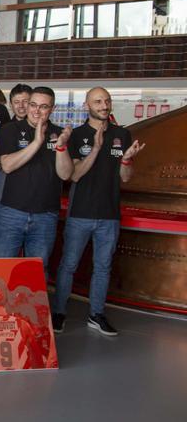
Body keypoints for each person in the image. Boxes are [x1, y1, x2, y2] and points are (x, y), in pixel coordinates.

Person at [53, 87, 146, 336]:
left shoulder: (122, 134)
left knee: (102, 267)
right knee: (69, 265)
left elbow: (125, 178)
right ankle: (59, 313)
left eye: (107, 100)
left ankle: (96, 314)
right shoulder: (77, 135)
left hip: (109, 216)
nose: (104, 105)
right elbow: (74, 175)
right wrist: (95, 148)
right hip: (80, 213)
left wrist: (126, 160)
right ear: (87, 106)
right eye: (98, 101)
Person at [0, 87, 74, 279]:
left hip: (45, 216)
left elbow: (65, 174)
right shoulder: (10, 130)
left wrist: (62, 147)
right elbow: (7, 165)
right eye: (33, 105)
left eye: (43, 107)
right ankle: (2, 310)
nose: (36, 111)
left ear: (52, 109)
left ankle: (31, 310)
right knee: (3, 270)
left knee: (36, 272)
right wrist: (36, 143)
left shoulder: (59, 134)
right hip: (11, 213)